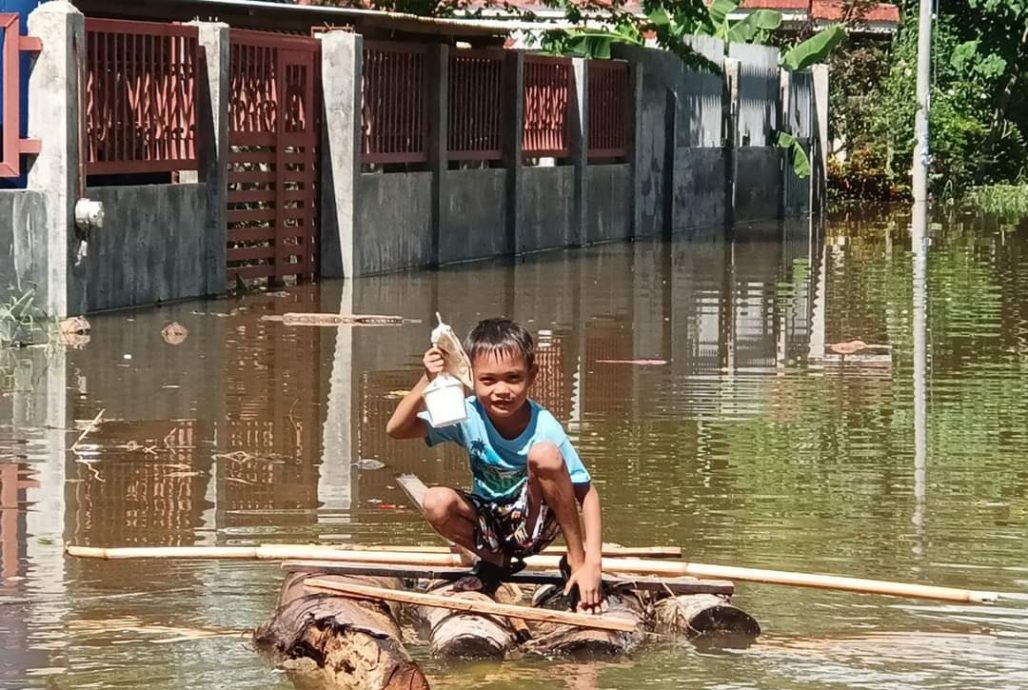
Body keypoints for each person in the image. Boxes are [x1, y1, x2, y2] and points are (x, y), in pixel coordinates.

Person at [386, 318, 606, 613]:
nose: (501, 390)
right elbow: (397, 429)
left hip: (533, 524)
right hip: (489, 524)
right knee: (435, 501)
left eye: (513, 378)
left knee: (544, 455)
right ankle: (494, 563)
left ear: (531, 376)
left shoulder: (544, 426)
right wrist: (427, 379)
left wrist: (592, 562)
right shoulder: (466, 414)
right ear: (470, 378)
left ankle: (574, 564)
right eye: (488, 380)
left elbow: (587, 494)